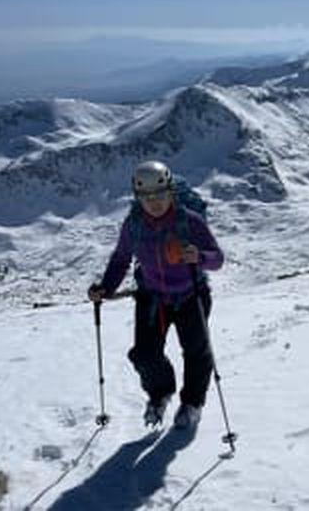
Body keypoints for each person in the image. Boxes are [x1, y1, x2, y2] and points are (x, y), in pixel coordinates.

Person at [88, 160, 224, 429]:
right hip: (153, 298)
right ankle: (161, 393)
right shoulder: (133, 225)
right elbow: (121, 260)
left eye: (160, 194)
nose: (154, 202)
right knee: (144, 355)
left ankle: (192, 403)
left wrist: (199, 256)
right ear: (138, 197)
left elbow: (217, 259)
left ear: (171, 192)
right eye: (147, 196)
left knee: (196, 352)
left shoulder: (190, 222)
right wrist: (106, 288)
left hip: (191, 295)